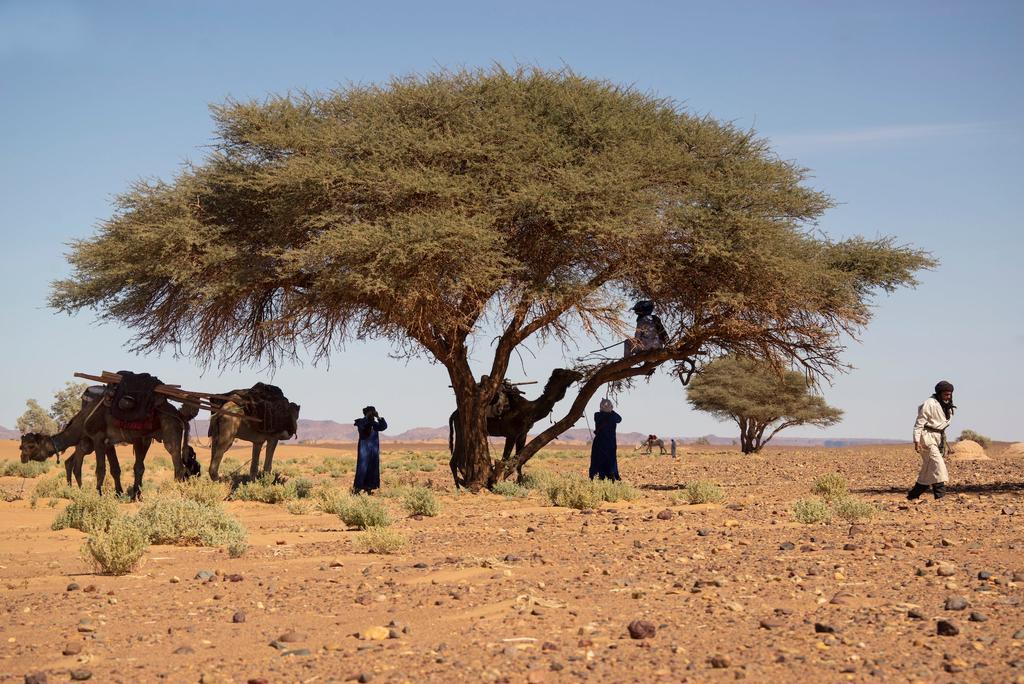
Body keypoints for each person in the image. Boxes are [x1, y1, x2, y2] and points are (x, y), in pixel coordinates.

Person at [908, 381, 956, 500]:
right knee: (938, 465)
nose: (948, 397)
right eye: (946, 394)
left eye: (950, 394)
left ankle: (913, 496)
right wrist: (916, 441)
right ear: (939, 393)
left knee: (929, 470)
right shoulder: (929, 403)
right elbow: (919, 423)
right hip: (926, 437)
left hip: (938, 438)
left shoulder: (947, 405)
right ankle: (940, 497)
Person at [353, 406, 387, 494]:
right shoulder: (361, 421)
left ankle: (369, 488)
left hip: (373, 450)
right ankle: (358, 488)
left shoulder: (374, 424)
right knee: (362, 468)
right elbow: (363, 427)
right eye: (371, 412)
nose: (372, 414)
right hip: (364, 449)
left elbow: (383, 427)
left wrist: (378, 417)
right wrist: (367, 417)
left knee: (373, 468)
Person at [589, 399, 622, 480]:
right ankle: (611, 476)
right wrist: (611, 410)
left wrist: (609, 410)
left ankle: (597, 476)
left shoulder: (597, 415)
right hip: (610, 443)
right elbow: (619, 419)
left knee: (598, 459)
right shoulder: (613, 416)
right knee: (610, 459)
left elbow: (619, 419)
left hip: (599, 443)